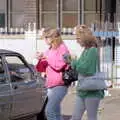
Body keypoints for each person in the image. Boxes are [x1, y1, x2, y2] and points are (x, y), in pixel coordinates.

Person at [70, 24, 104, 120]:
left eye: (78, 38)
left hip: (92, 91)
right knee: (75, 117)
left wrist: (74, 61)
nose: (76, 41)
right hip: (82, 90)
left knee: (91, 117)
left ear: (85, 38)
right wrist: (72, 61)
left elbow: (87, 69)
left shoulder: (92, 51)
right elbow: (78, 66)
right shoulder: (85, 50)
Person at [38, 28, 70, 120]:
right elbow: (43, 67)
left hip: (60, 85)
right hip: (50, 84)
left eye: (45, 38)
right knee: (56, 113)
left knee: (49, 111)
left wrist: (47, 58)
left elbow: (60, 65)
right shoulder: (50, 49)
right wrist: (40, 58)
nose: (44, 40)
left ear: (52, 38)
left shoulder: (63, 48)